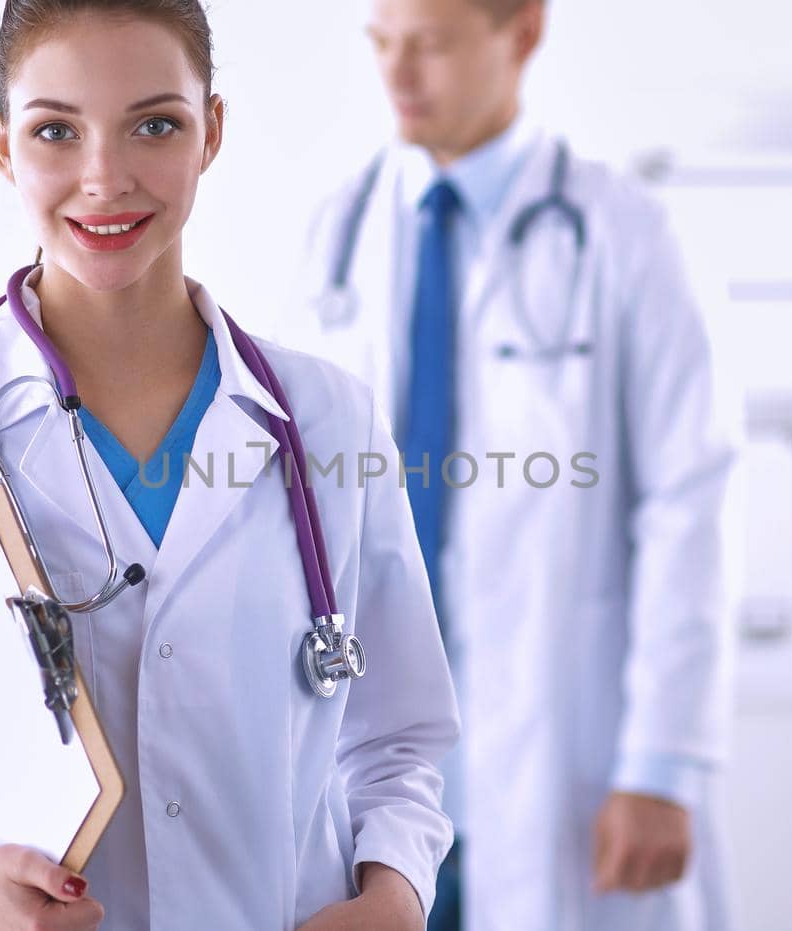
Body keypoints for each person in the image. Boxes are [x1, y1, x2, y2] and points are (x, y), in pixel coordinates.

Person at [0, 2, 459, 929]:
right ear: (2, 145)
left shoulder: (326, 420)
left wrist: (395, 891)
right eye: (55, 131)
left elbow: (400, 740)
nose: (104, 178)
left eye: (155, 124)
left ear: (213, 132)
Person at [285, 1, 740, 929]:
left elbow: (690, 502)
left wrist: (663, 764)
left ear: (522, 32)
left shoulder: (623, 234)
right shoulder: (341, 235)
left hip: (566, 745)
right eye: (382, 44)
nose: (398, 76)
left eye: (432, 45)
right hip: (376, 756)